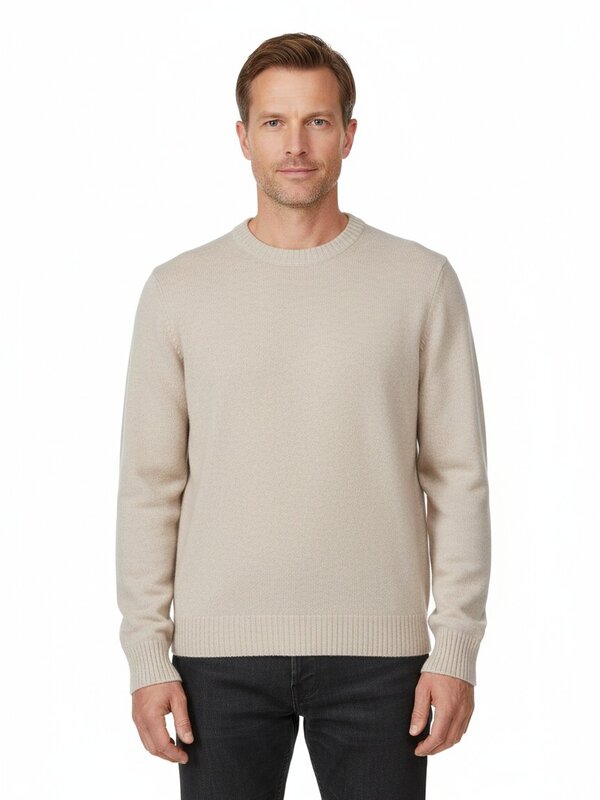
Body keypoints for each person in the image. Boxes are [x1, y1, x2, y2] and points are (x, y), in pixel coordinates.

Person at [115, 31, 492, 800]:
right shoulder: (179, 290)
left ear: (349, 135)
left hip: (382, 661)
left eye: (317, 121)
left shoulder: (419, 282)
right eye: (274, 122)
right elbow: (150, 486)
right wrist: (147, 657)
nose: (295, 145)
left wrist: (455, 647)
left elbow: (457, 478)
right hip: (217, 661)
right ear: (243, 137)